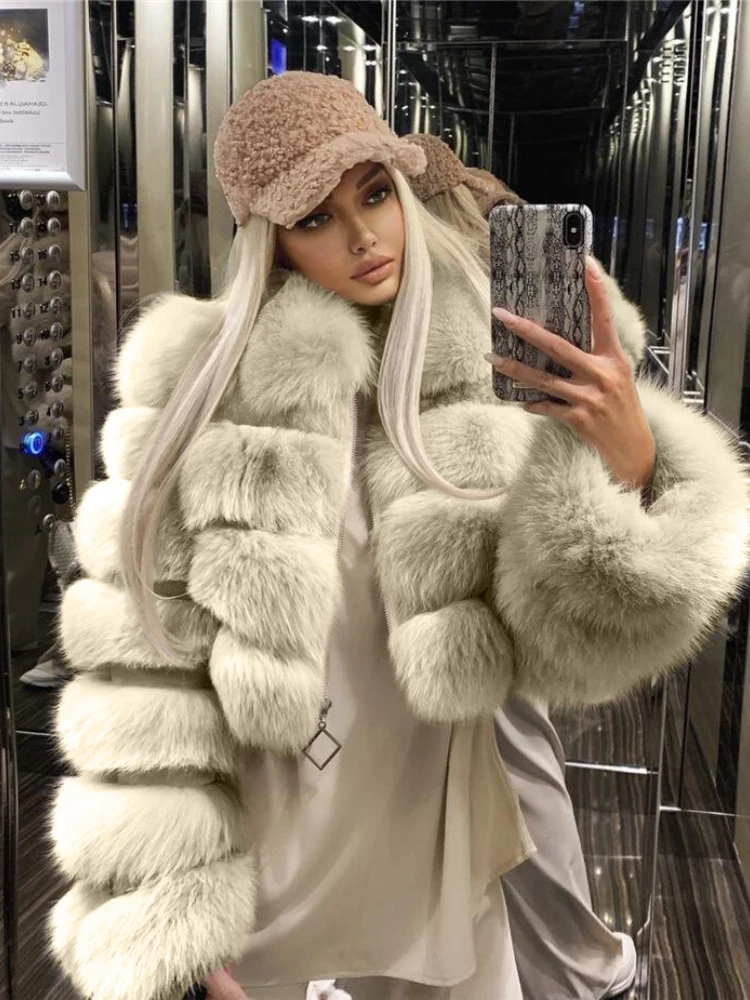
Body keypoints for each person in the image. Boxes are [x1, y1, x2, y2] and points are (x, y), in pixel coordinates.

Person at [45, 72, 750, 1000]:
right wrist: (175, 915)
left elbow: (569, 647)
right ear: (270, 241)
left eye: (375, 193)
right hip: (278, 840)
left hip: (438, 826)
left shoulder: (481, 367)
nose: (363, 236)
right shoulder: (206, 388)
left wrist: (625, 460)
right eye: (316, 217)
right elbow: (145, 669)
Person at [406, 131, 647, 998]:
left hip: (487, 553)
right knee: (496, 766)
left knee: (508, 760)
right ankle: (572, 965)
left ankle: (581, 965)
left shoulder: (465, 271)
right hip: (451, 561)